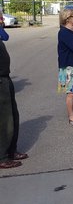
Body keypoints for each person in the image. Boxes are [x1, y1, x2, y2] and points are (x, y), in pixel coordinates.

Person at [0, 10, 28, 169]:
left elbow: (5, 36)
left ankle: (12, 150)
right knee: (4, 120)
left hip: (5, 78)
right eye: (0, 17)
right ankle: (2, 156)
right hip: (0, 81)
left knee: (13, 116)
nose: (2, 19)